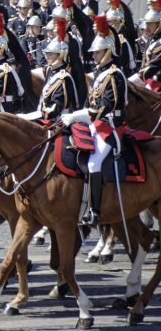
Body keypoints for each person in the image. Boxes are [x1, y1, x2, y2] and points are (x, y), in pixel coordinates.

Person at [61, 15, 127, 227]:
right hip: (95, 126)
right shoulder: (100, 74)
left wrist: (76, 116)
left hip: (110, 128)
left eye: (98, 52)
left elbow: (103, 108)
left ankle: (95, 210)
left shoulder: (115, 75)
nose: (95, 55)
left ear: (108, 51)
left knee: (93, 162)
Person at [37, 18, 79, 122]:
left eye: (50, 54)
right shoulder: (50, 71)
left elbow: (57, 106)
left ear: (60, 55)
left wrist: (40, 116)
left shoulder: (63, 78)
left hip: (60, 122)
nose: (47, 57)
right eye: (47, 54)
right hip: (48, 118)